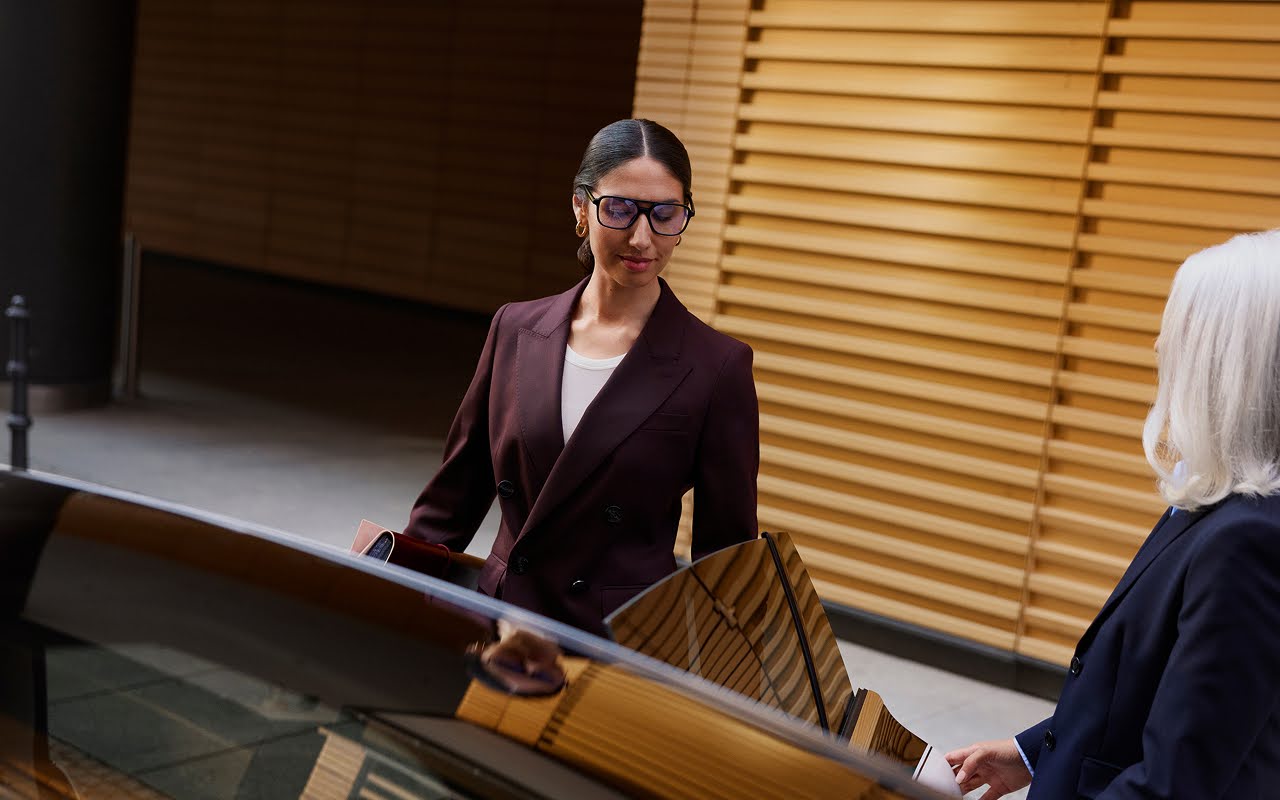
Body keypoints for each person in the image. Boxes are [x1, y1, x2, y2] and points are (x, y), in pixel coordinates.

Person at [946, 229, 1280, 799]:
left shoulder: (1245, 542)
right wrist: (1032, 751)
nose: (1157, 346)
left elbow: (1175, 783)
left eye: (1178, 329)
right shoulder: (1220, 503)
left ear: (1229, 362)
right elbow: (1152, 698)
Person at [403, 119, 760, 637]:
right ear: (580, 206)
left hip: (617, 645)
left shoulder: (716, 367)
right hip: (502, 621)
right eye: (620, 209)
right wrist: (385, 599)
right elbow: (451, 500)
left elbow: (726, 560)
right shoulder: (516, 328)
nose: (643, 239)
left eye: (665, 214)